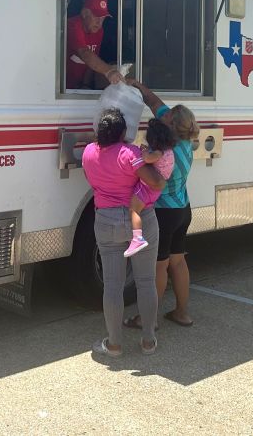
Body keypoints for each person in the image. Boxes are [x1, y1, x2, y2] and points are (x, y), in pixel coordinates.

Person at [82, 108, 166, 357]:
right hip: (140, 218)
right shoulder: (129, 153)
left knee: (113, 286)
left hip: (106, 220)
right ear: (122, 133)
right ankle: (148, 341)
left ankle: (115, 344)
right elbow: (155, 182)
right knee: (146, 281)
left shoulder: (88, 152)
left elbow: (91, 178)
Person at [124, 79, 199, 329]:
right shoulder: (186, 142)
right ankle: (182, 312)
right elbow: (155, 103)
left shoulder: (166, 151)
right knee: (178, 261)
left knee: (159, 267)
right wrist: (139, 87)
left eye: (167, 119)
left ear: (173, 126)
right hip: (183, 210)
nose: (162, 118)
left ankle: (149, 319)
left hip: (164, 214)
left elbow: (145, 172)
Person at [124, 119, 177, 258]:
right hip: (155, 190)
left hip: (147, 187)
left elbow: (147, 159)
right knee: (140, 209)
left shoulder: (158, 153)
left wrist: (143, 152)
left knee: (133, 209)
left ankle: (137, 238)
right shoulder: (169, 151)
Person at [66, 0, 124, 90]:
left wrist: (85, 85)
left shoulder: (99, 31)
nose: (99, 23)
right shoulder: (72, 25)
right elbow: (85, 53)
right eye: (97, 17)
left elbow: (93, 58)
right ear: (84, 13)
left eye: (103, 19)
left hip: (80, 88)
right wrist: (109, 71)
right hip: (63, 88)